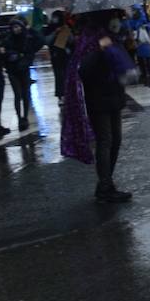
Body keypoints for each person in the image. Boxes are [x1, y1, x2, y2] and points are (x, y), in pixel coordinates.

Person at [61, 11, 133, 203]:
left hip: (114, 95)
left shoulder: (113, 37)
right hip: (99, 98)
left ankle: (106, 182)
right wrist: (100, 51)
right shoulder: (90, 39)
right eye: (115, 17)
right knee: (105, 141)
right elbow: (83, 70)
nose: (117, 21)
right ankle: (105, 187)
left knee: (115, 140)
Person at [0, 18, 42, 131]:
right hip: (13, 71)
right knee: (17, 95)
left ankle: (25, 117)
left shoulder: (27, 39)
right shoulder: (8, 40)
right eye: (13, 27)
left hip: (24, 70)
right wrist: (11, 55)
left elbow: (39, 42)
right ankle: (19, 118)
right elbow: (3, 53)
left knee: (26, 94)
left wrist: (31, 29)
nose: (16, 29)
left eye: (18, 27)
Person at [43, 11, 72, 101]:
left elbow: (72, 41)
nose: (55, 19)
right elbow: (47, 41)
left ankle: (68, 93)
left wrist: (67, 32)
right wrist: (55, 33)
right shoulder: (50, 28)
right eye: (54, 17)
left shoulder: (66, 26)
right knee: (59, 75)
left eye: (56, 17)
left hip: (66, 54)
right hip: (55, 55)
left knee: (68, 74)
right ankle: (60, 95)